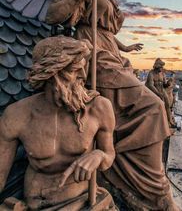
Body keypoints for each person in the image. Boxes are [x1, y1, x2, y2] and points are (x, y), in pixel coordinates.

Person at [46, 0, 180, 210]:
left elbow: (103, 29)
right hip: (93, 54)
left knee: (121, 115)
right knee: (152, 108)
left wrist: (125, 48)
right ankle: (155, 188)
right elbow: (54, 16)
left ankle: (120, 164)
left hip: (109, 52)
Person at [0, 36, 116, 210]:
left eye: (83, 67)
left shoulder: (99, 108)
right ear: (50, 74)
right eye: (74, 70)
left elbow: (109, 156)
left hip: (85, 201)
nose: (83, 76)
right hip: (37, 204)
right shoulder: (17, 115)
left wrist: (99, 155)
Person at [146, 58, 176, 128]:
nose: (162, 68)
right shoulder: (151, 73)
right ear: (157, 67)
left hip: (162, 91)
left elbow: (164, 84)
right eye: (161, 67)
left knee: (167, 106)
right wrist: (158, 94)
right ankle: (164, 123)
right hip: (155, 93)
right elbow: (150, 85)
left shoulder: (162, 74)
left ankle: (170, 121)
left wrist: (168, 83)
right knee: (161, 107)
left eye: (162, 67)